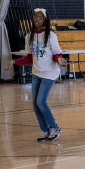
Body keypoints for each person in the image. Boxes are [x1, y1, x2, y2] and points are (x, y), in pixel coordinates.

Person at [13, 9, 67, 141]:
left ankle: (55, 128)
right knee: (35, 104)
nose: (37, 20)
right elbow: (30, 58)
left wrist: (59, 59)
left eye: (40, 18)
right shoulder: (29, 36)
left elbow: (56, 54)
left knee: (41, 102)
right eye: (35, 18)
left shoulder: (51, 36)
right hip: (37, 73)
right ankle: (46, 130)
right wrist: (14, 61)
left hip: (49, 73)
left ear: (45, 20)